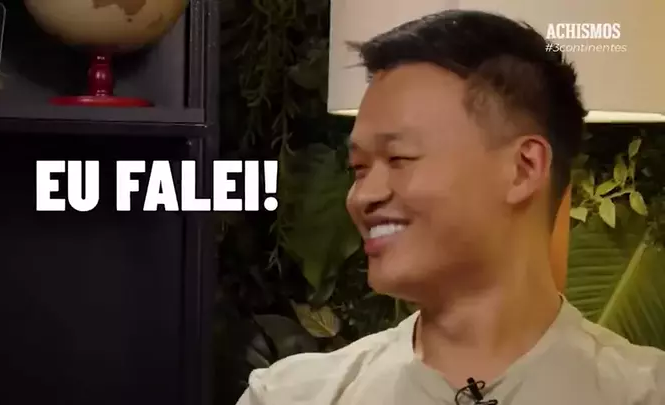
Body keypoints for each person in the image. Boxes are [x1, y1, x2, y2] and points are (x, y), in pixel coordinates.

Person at [235, 9, 665, 405]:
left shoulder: (643, 392)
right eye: (359, 168)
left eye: (399, 158)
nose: (362, 197)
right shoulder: (291, 396)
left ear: (523, 168)